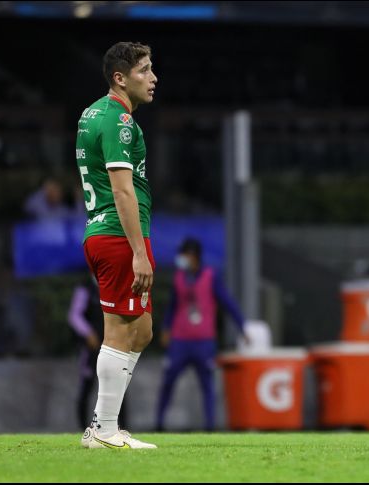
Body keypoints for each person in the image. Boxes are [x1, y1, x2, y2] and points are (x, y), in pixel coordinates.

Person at [77, 41, 158, 449]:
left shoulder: (91, 113)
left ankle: (103, 426)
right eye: (144, 70)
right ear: (120, 78)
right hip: (119, 235)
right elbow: (123, 190)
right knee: (118, 331)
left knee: (141, 330)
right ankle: (104, 429)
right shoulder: (119, 122)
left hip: (107, 232)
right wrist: (139, 253)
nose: (153, 78)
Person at [155, 238, 249, 432]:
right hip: (180, 340)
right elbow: (173, 306)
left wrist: (242, 327)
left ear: (193, 256)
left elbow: (227, 302)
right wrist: (166, 328)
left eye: (184, 254)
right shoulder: (179, 277)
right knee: (168, 381)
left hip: (204, 341)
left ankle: (209, 427)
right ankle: (159, 424)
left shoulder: (210, 276)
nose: (181, 258)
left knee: (207, 385)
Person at [68, 275, 129, 431]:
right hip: (92, 348)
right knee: (87, 386)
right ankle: (83, 429)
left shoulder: (114, 286)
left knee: (118, 387)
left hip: (112, 346)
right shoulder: (85, 288)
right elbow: (75, 316)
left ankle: (120, 428)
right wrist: (88, 333)